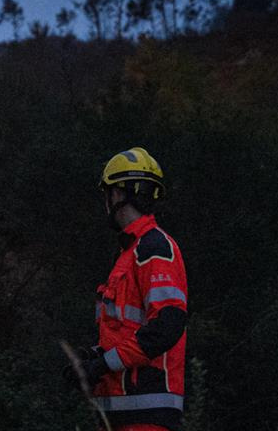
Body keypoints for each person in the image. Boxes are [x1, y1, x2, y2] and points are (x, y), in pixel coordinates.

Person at [63, 148, 189, 431]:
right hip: (122, 412)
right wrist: (92, 358)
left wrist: (103, 364)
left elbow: (166, 326)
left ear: (117, 195)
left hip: (146, 412)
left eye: (107, 194)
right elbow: (127, 332)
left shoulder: (154, 248)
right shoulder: (129, 254)